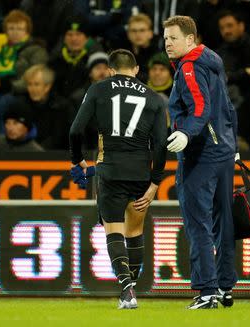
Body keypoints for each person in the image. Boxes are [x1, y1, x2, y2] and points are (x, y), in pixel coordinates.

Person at [69, 49, 168, 309]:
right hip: (140, 171)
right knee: (134, 230)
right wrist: (155, 182)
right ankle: (131, 288)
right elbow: (160, 145)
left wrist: (77, 160)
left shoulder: (99, 89)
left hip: (110, 169)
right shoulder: (154, 97)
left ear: (111, 70)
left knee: (114, 230)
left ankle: (127, 290)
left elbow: (76, 130)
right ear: (136, 70)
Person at [163, 15, 238, 309]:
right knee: (224, 222)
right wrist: (233, 143)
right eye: (165, 38)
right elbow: (228, 107)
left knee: (198, 225)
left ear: (190, 40)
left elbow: (201, 107)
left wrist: (186, 133)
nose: (167, 43)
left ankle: (206, 292)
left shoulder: (190, 67)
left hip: (201, 154)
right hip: (224, 150)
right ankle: (224, 287)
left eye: (173, 38)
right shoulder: (212, 61)